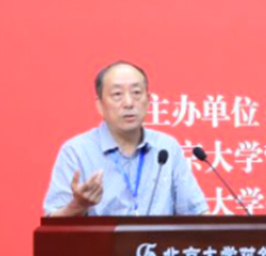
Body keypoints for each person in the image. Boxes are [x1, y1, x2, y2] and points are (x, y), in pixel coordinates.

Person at [43, 61, 209, 217]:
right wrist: (78, 205)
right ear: (100, 105)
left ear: (148, 101)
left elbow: (197, 214)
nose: (129, 103)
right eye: (117, 94)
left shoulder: (167, 147)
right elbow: (52, 222)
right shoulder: (76, 151)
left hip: (158, 240)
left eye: (136, 93)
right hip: (103, 240)